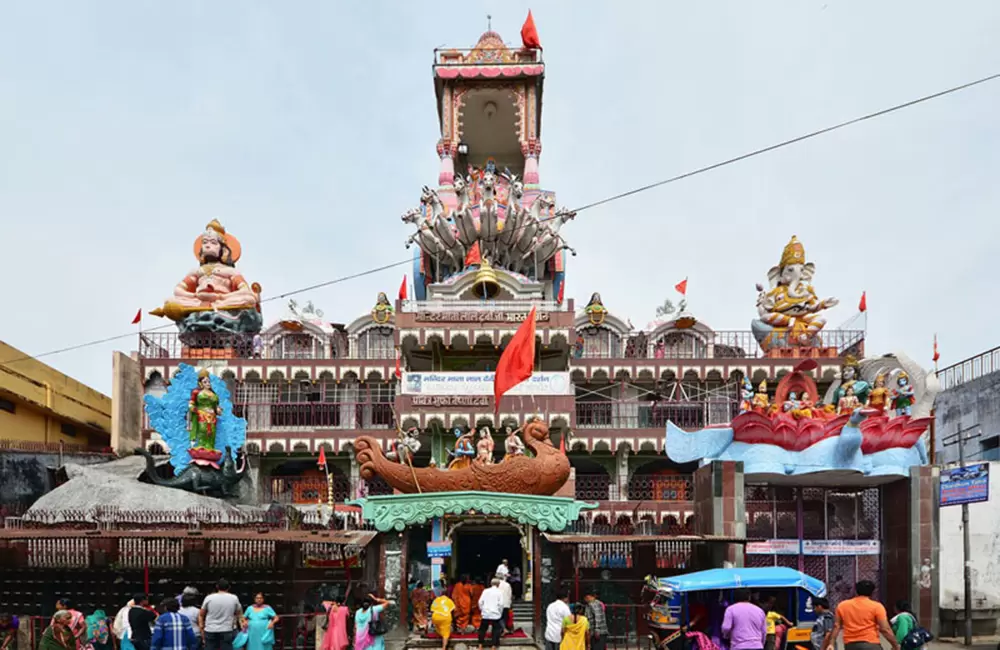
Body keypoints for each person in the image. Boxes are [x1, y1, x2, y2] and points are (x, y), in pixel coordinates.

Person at [826, 581, 899, 650]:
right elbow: (885, 629)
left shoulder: (842, 605)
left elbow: (837, 626)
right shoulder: (877, 607)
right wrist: (895, 645)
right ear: (872, 593)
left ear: (856, 591)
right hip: (871, 644)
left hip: (850, 645)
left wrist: (831, 643)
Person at [200, 579, 243, 650]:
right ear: (229, 587)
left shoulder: (209, 598)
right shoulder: (234, 598)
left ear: (217, 587)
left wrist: (201, 628)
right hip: (227, 630)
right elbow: (239, 614)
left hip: (210, 630)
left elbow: (201, 614)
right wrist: (241, 626)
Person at [477, 579, 504, 650]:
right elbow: (501, 604)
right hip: (495, 614)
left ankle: (480, 645)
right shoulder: (499, 592)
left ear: (491, 584)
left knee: (482, 629)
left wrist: (482, 609)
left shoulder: (485, 591)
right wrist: (500, 612)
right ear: (498, 585)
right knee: (496, 630)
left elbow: (480, 602)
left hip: (485, 613)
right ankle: (493, 646)